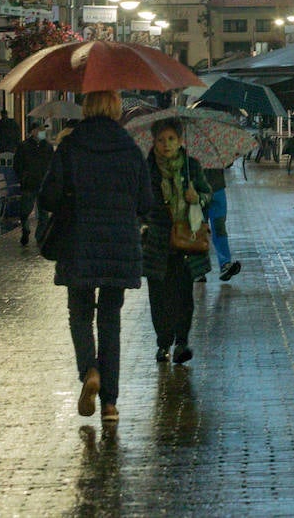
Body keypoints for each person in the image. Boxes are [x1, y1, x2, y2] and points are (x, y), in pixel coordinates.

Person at [38, 91, 151, 422]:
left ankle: (90, 371)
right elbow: (145, 202)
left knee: (80, 313)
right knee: (111, 321)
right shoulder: (130, 149)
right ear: (117, 109)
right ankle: (111, 405)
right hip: (119, 245)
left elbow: (47, 197)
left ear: (86, 109)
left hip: (78, 241)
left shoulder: (71, 146)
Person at [143, 118, 212, 365]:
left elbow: (208, 195)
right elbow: (138, 203)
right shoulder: (146, 169)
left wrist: (198, 198)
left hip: (186, 240)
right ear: (154, 142)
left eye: (171, 139)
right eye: (161, 140)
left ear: (180, 140)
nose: (166, 145)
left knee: (183, 294)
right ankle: (163, 343)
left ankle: (182, 342)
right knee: (159, 296)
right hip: (157, 241)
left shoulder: (191, 167)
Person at [15, 126, 54, 246]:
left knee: (43, 214)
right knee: (25, 211)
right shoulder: (24, 146)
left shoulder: (47, 147)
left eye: (42, 130)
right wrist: (23, 177)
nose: (41, 133)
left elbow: (52, 163)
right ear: (32, 132)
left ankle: (40, 236)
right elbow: (17, 163)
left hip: (43, 184)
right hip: (29, 183)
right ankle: (26, 229)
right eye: (38, 130)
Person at [202, 165, 242, 281]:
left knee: (219, 227)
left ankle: (225, 264)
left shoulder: (217, 150)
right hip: (198, 192)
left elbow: (227, 164)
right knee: (199, 230)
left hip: (217, 189)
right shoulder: (189, 151)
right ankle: (199, 268)